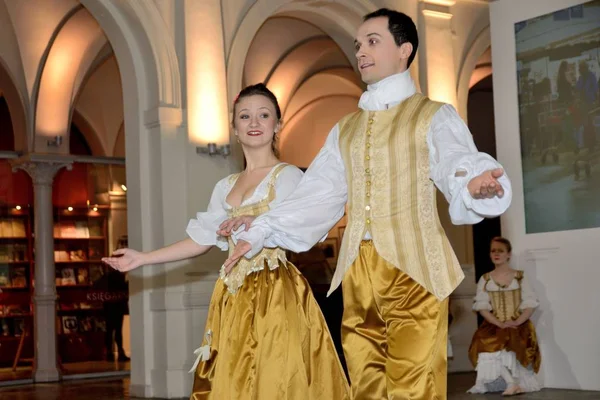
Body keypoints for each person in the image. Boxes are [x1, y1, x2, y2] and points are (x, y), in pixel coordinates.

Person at [219, 9, 512, 399]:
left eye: (372, 41)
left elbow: (454, 161)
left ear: (404, 50)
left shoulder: (432, 115)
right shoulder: (346, 128)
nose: (360, 51)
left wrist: (475, 182)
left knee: (412, 388)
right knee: (365, 385)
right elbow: (318, 194)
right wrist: (261, 229)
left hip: (415, 270)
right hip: (357, 274)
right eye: (358, 44)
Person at [102, 83, 350, 400]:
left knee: (275, 378)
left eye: (264, 115)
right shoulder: (225, 185)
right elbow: (200, 239)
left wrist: (258, 223)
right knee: (234, 379)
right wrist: (143, 258)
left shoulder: (287, 176)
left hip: (273, 291)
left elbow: (303, 223)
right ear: (234, 128)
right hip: (231, 296)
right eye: (245, 116)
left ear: (277, 123)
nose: (254, 123)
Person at [468, 237, 541, 396]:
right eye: (493, 251)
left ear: (509, 254)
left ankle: (514, 382)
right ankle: (511, 382)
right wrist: (499, 324)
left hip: (518, 323)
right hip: (495, 324)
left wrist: (516, 321)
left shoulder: (519, 277)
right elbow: (482, 307)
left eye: (500, 251)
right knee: (485, 344)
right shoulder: (485, 279)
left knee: (511, 340)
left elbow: (530, 304)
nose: (496, 254)